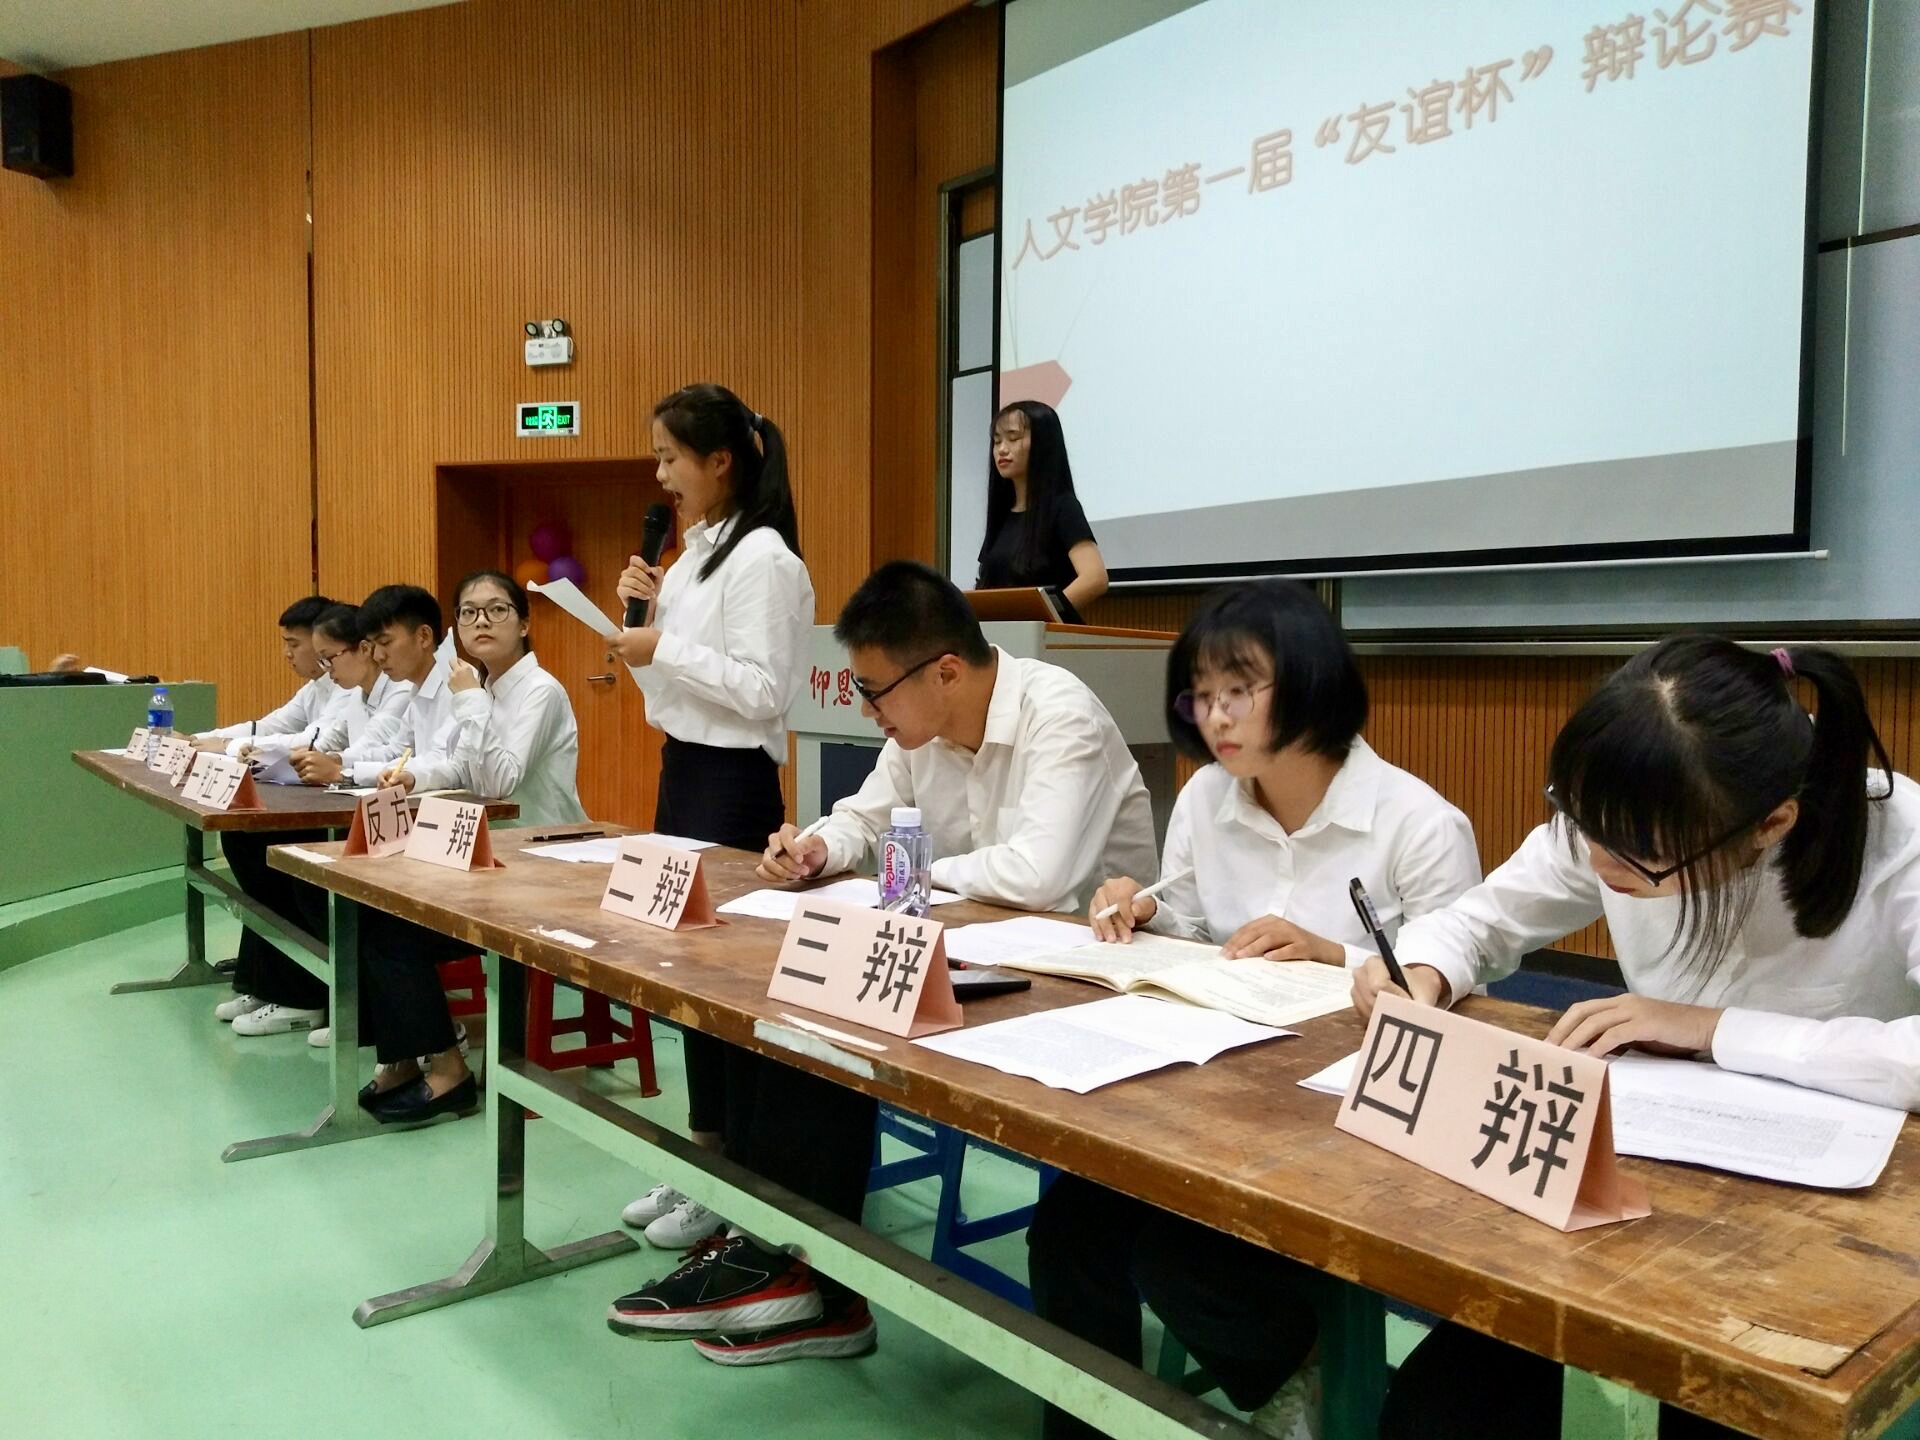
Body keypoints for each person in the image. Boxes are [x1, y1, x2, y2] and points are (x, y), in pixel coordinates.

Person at [1360, 637, 1920, 1440]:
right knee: (1433, 1415)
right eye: (1582, 822)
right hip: (1645, 1187)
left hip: (1830, 1230)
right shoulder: (1619, 814)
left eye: (1640, 857)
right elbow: (1482, 919)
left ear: (1772, 825)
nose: (1596, 859)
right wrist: (1423, 971)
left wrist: (1715, 1030)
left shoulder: (1900, 842)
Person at [1026, 581, 1481, 1440]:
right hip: (1209, 1102)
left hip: (1341, 1133)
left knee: (1178, 1255)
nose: (1215, 715)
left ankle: (1307, 1378)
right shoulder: (1207, 799)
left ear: (1312, 682)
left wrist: (1335, 954)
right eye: (1200, 695)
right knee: (1069, 1231)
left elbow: (1468, 998)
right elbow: (1199, 931)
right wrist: (1145, 913)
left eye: (1239, 690)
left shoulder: (1418, 824)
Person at [607, 384, 815, 1252]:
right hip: (683, 772)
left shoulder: (764, 559)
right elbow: (669, 694)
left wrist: (666, 645)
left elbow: (765, 693)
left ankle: (739, 1178)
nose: (661, 477)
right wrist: (640, 632)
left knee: (728, 986)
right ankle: (705, 1155)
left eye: (670, 458)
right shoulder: (692, 558)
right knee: (685, 972)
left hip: (733, 786)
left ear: (720, 462)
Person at [758, 560, 1157, 913]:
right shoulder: (921, 731)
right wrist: (818, 850)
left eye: (874, 692)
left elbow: (1038, 878)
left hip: (1095, 952)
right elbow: (863, 821)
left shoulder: (1062, 717)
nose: (866, 709)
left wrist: (921, 869)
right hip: (982, 937)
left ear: (946, 674)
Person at [354, 572, 587, 1125]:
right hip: (489, 861)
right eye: (468, 612)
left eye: (496, 610)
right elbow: (460, 765)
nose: (480, 621)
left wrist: (470, 702)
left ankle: (447, 1069)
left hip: (542, 867)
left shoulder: (539, 691)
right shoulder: (482, 688)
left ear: (524, 623)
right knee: (369, 908)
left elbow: (500, 782)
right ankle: (406, 1056)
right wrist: (413, 777)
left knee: (393, 929)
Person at [223, 601, 414, 1036]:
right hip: (364, 809)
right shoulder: (356, 693)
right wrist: (265, 752)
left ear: (363, 649)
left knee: (299, 870)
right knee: (249, 842)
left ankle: (312, 994)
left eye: (331, 658)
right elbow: (321, 742)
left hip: (396, 819)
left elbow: (381, 752)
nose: (327, 669)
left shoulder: (402, 691)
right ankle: (277, 983)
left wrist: (337, 766)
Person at [974, 400, 1107, 621]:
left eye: (1013, 438)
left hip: (1046, 636)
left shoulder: (1063, 507)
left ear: (1043, 444)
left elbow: (1095, 578)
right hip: (1003, 636)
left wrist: (1038, 615)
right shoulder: (1001, 515)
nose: (1002, 449)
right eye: (997, 441)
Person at [191, 595, 342, 754]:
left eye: (294, 645)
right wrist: (196, 739)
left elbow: (313, 741)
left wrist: (229, 745)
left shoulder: (348, 688)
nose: (287, 653)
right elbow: (271, 726)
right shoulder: (314, 687)